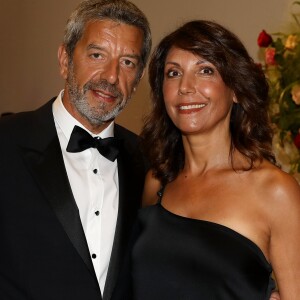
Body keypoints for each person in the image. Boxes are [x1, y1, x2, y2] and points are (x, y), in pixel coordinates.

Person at [116, 20, 300, 299]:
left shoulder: (276, 191)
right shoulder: (158, 180)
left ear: (235, 89)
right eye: (173, 73)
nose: (186, 87)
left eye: (205, 70)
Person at [0, 0, 151, 299]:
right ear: (65, 60)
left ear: (138, 79)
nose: (111, 76)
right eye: (97, 55)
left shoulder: (151, 162)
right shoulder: (5, 143)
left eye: (128, 62)